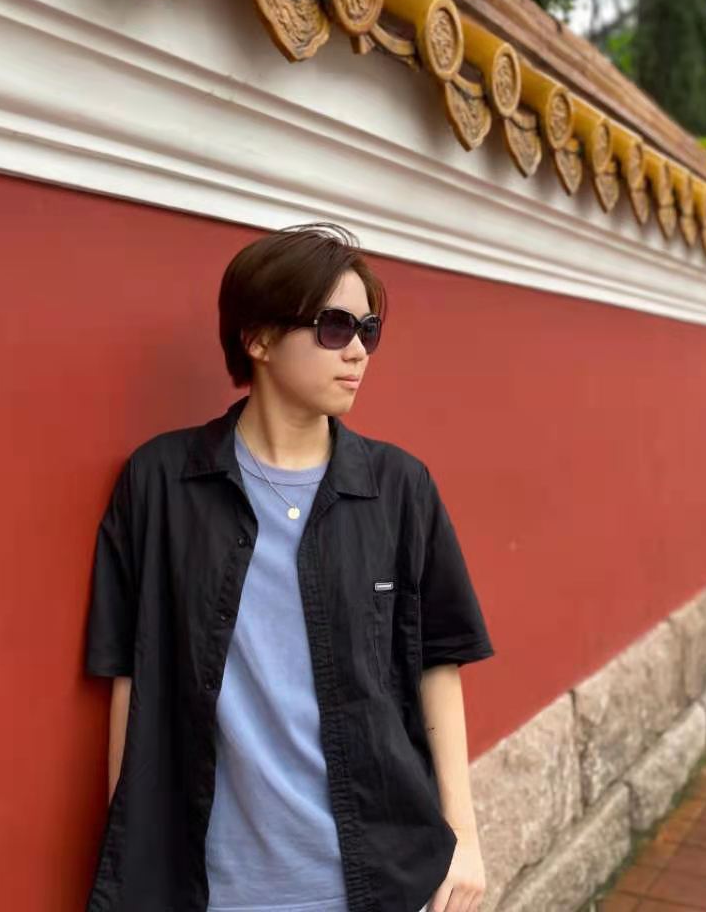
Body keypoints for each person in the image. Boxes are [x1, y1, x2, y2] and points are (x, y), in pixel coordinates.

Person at [83, 223, 494, 912]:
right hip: (212, 886)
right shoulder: (161, 483)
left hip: (374, 878)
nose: (357, 350)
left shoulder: (399, 488)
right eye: (334, 327)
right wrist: (133, 866)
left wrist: (465, 838)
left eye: (368, 330)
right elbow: (132, 677)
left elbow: (437, 664)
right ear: (259, 339)